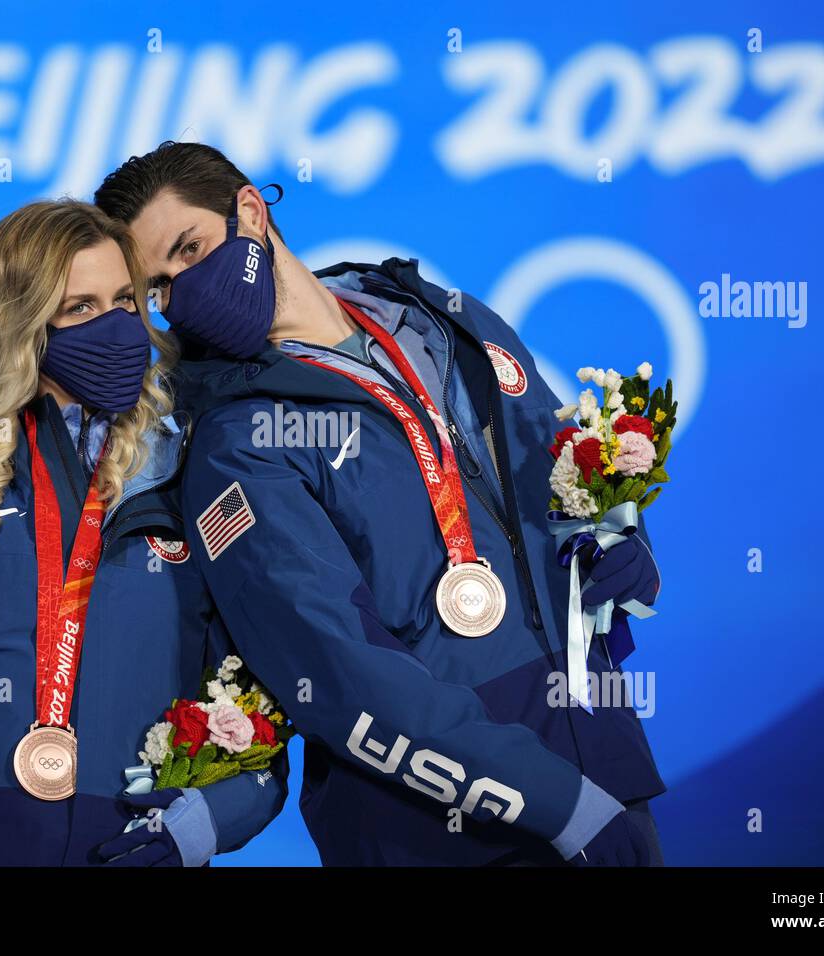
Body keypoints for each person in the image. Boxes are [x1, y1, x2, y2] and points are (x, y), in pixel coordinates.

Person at [95, 142, 667, 866]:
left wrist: (622, 531)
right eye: (160, 287)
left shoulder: (437, 321)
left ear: (249, 210)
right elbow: (343, 676)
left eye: (191, 249)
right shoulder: (236, 443)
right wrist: (561, 809)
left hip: (604, 767)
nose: (184, 292)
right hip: (439, 833)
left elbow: (557, 476)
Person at [0, 198, 286, 866]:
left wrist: (199, 825)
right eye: (81, 309)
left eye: (126, 302)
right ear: (24, 326)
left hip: (132, 845)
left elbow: (260, 695)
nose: (117, 328)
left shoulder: (192, 482)